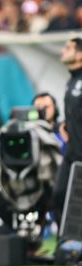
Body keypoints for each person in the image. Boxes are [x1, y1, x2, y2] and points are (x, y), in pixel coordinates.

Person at [52, 37, 82, 230]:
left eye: (69, 48)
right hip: (72, 153)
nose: (63, 51)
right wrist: (66, 125)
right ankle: (69, 243)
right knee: (59, 195)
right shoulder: (71, 80)